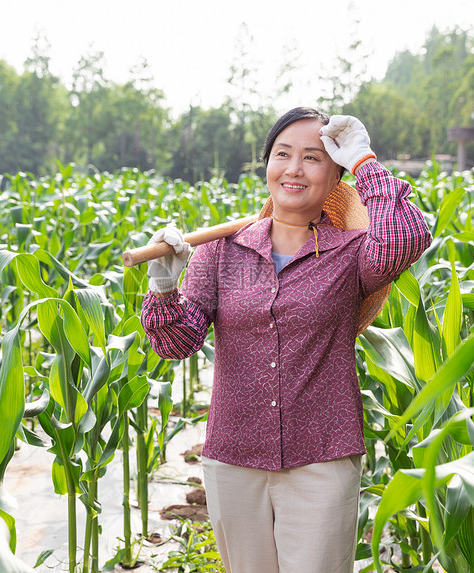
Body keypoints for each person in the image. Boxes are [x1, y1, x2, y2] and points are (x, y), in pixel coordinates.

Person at [140, 107, 432, 573]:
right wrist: (164, 290)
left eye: (313, 158)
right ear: (268, 165)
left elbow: (408, 236)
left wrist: (365, 161)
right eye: (282, 154)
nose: (294, 169)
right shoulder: (223, 251)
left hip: (323, 459)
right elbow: (178, 343)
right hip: (234, 459)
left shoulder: (352, 253)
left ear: (335, 175)